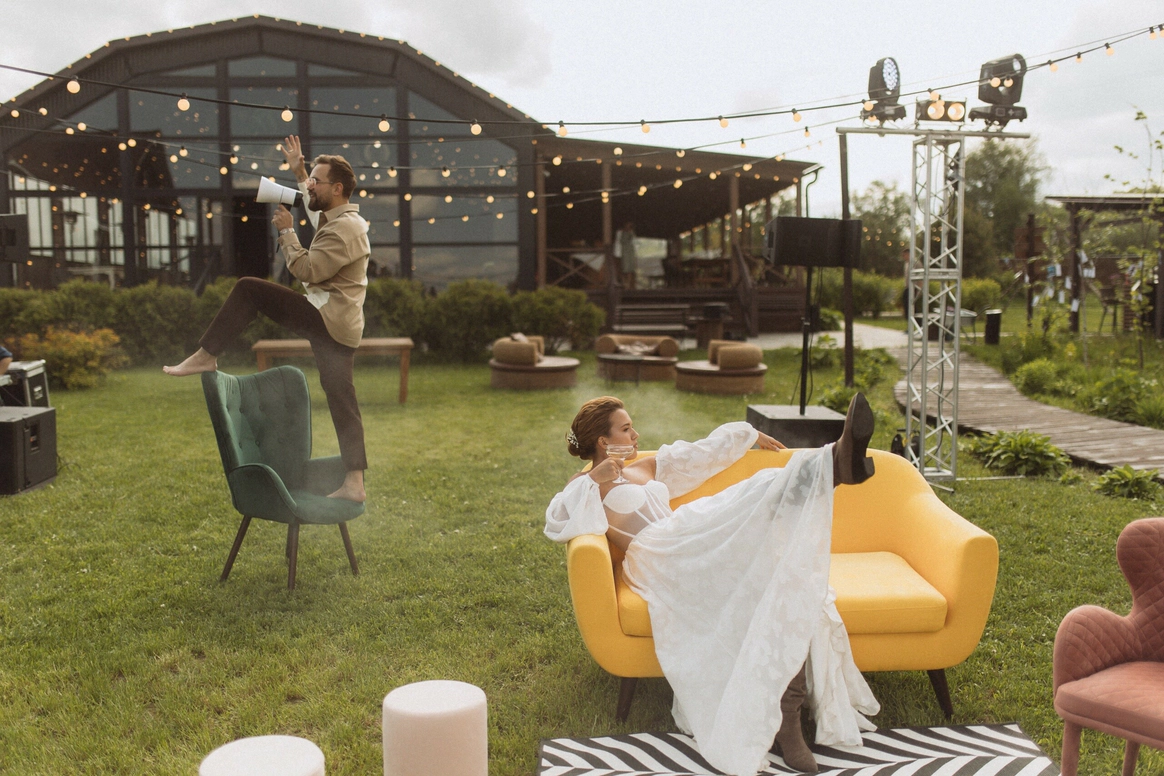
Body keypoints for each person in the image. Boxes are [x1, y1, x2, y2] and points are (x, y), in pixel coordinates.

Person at [545, 394, 881, 776]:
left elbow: (697, 455)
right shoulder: (584, 486)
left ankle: (788, 721)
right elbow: (557, 517)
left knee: (777, 572)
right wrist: (594, 478)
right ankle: (837, 463)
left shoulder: (644, 467)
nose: (635, 434)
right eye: (626, 429)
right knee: (756, 498)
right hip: (659, 556)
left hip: (685, 536)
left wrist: (747, 434)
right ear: (603, 441)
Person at [164, 138, 370, 502]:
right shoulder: (340, 219)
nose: (309, 187)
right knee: (342, 400)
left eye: (316, 181)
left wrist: (287, 232)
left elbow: (308, 270)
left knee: (249, 290)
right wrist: (300, 171)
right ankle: (355, 484)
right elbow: (316, 214)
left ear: (337, 188)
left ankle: (206, 355)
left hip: (327, 316)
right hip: (339, 323)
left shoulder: (345, 228)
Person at [613, 221, 637, 289]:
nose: (628, 228)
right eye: (627, 226)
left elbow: (634, 243)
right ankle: (624, 283)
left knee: (629, 269)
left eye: (630, 226)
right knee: (622, 269)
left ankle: (628, 284)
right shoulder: (620, 233)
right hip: (622, 253)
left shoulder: (632, 233)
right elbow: (619, 241)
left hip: (629, 253)